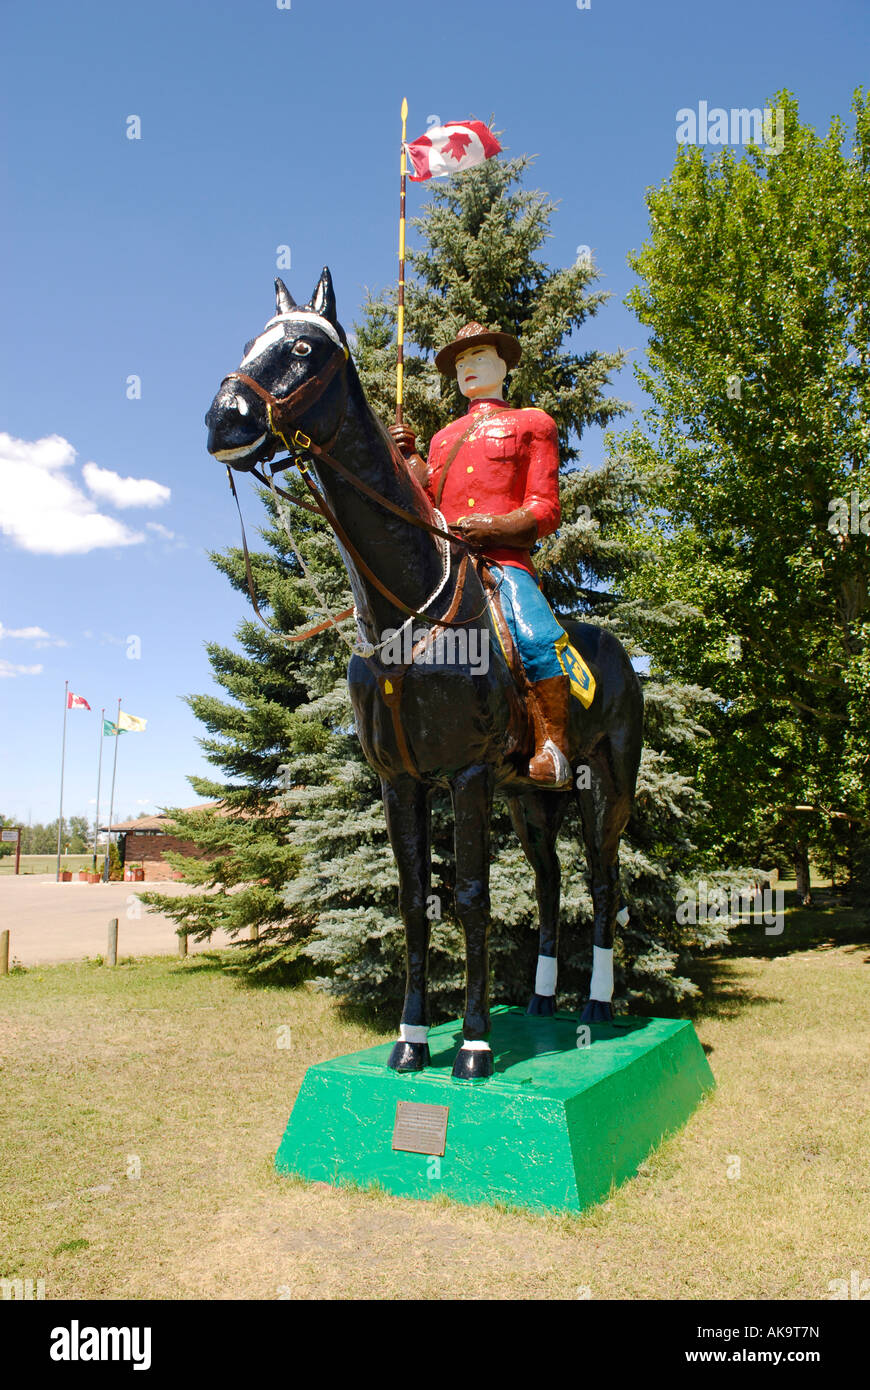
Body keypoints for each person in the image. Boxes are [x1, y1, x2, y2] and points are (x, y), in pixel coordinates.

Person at [390, 320, 572, 787]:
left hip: (503, 564)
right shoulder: (443, 438)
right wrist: (409, 462)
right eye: (461, 363)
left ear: (504, 364)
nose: (469, 367)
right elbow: (426, 507)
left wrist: (493, 526)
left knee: (535, 636)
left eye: (479, 357)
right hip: (450, 568)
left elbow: (545, 509)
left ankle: (555, 746)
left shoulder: (533, 423)